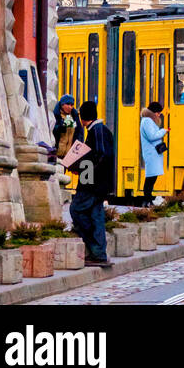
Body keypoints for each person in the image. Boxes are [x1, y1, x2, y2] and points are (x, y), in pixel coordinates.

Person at [68, 100, 115, 267]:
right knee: (96, 215)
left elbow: (101, 156)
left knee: (76, 210)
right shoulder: (100, 130)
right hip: (98, 184)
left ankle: (95, 247)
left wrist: (83, 171)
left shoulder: (97, 131)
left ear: (82, 118)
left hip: (92, 184)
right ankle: (99, 253)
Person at [139, 102, 167, 205]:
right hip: (151, 153)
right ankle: (147, 200)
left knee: (152, 177)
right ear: (153, 112)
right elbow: (152, 136)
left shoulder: (148, 120)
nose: (159, 115)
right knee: (150, 178)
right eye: (158, 113)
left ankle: (148, 200)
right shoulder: (147, 121)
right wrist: (163, 131)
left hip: (153, 153)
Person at [52, 95, 82, 160]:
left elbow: (78, 132)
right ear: (62, 105)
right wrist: (60, 127)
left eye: (72, 105)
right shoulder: (56, 115)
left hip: (69, 155)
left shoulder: (74, 116)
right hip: (57, 154)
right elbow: (52, 131)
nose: (70, 107)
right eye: (68, 104)